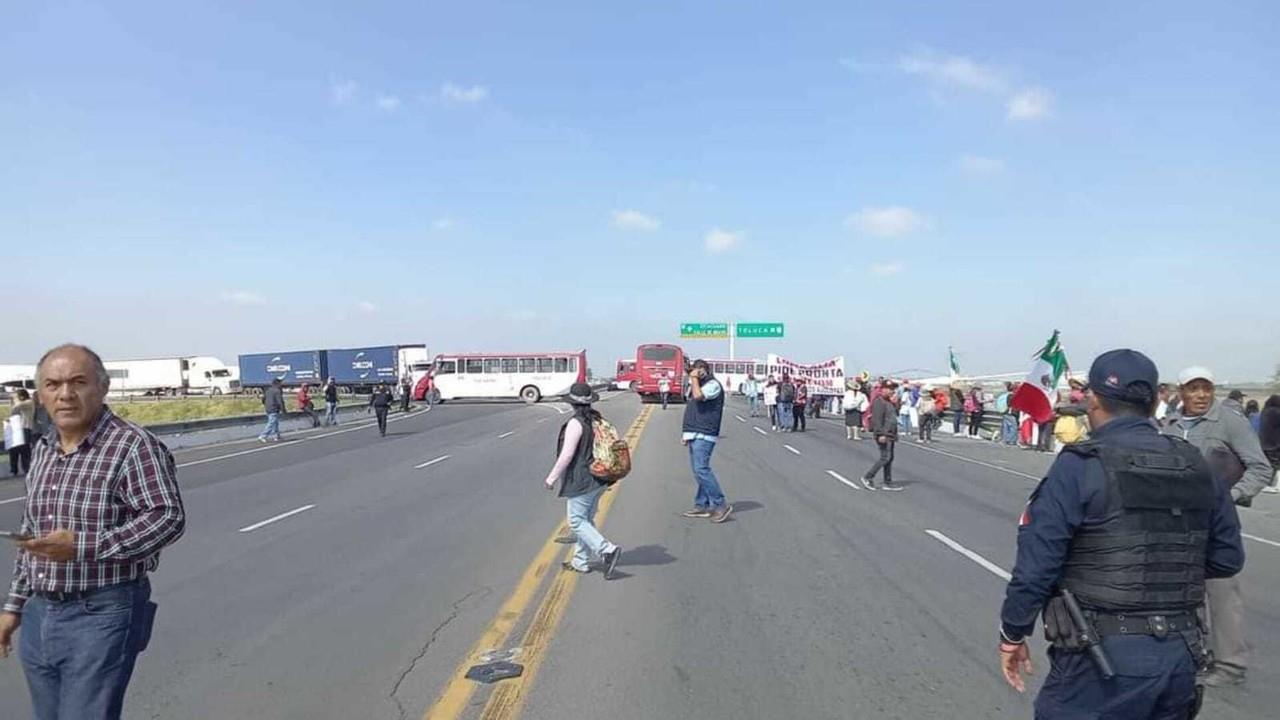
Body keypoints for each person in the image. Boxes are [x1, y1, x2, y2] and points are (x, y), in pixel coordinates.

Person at [998, 349, 1243, 718]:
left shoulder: (1081, 465)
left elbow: (1037, 566)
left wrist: (1013, 634)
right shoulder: (1198, 463)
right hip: (1180, 652)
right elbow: (1226, 558)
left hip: (1100, 659)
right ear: (1154, 401)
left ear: (1093, 399)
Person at [1, 344, 186, 720]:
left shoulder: (132, 446)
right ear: (41, 395)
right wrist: (13, 608)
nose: (65, 394)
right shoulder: (45, 449)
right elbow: (33, 534)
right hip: (41, 612)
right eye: (52, 385)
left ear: (101, 389)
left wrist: (83, 546)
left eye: (78, 382)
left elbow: (167, 517)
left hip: (100, 612)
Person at [1161, 365, 1270, 687]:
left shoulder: (1229, 422)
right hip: (1176, 522)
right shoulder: (1170, 426)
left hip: (1215, 523)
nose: (1200, 395)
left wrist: (1229, 496)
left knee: (1221, 591)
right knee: (1182, 589)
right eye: (1193, 389)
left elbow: (1260, 468)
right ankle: (1195, 653)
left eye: (1206, 388)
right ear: (1181, 392)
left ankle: (1230, 665)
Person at [543, 382, 621, 578]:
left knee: (577, 521)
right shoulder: (596, 420)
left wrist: (551, 478)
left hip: (582, 479)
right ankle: (580, 561)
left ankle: (607, 550)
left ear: (572, 403)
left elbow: (567, 455)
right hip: (599, 477)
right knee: (586, 520)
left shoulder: (575, 423)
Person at [681, 360, 733, 522]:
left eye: (696, 371)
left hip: (705, 433)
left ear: (703, 370)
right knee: (699, 471)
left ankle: (720, 504)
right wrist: (685, 434)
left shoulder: (713, 385)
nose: (693, 374)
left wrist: (695, 379)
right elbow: (691, 405)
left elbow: (698, 396)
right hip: (694, 432)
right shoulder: (698, 383)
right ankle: (702, 505)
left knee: (702, 470)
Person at [861, 381, 903, 491]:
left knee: (889, 458)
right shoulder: (879, 402)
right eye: (890, 389)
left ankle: (887, 481)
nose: (892, 391)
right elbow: (877, 420)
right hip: (884, 433)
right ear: (883, 389)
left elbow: (894, 415)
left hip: (890, 433)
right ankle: (868, 477)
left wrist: (896, 403)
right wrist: (880, 434)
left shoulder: (889, 402)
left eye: (893, 389)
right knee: (885, 457)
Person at [8, 389, 35, 475]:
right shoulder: (21, 404)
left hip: (26, 428)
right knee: (13, 450)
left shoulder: (28, 402)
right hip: (17, 429)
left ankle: (27, 469)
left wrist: (14, 400)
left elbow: (17, 406)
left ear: (22, 396)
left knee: (24, 450)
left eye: (16, 397)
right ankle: (14, 469)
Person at [1258, 395, 1280, 494]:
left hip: (1263, 442)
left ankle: (1265, 483)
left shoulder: (1264, 412)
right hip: (1274, 442)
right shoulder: (1276, 412)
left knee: (1268, 463)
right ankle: (1269, 484)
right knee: (1275, 464)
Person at [258, 378, 285, 443]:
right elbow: (280, 401)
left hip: (268, 408)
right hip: (274, 408)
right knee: (271, 423)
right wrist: (283, 409)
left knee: (275, 423)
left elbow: (263, 399)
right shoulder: (277, 391)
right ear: (278, 384)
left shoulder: (268, 390)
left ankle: (277, 436)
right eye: (280, 383)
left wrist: (266, 405)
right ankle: (263, 436)